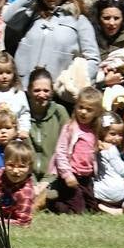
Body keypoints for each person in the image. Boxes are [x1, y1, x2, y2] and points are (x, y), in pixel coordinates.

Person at [2, 0, 99, 90]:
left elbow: (93, 59)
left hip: (58, 94)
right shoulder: (31, 14)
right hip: (24, 89)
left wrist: (75, 86)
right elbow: (8, 17)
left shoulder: (78, 20)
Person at [45, 85, 103, 214]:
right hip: (71, 176)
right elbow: (60, 153)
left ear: (96, 112)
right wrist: (67, 175)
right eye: (81, 107)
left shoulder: (95, 130)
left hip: (86, 177)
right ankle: (53, 204)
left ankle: (64, 199)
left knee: (92, 208)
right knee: (78, 210)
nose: (83, 112)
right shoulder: (70, 128)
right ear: (75, 106)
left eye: (89, 110)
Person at [26, 68, 69, 184]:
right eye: (37, 90)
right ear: (29, 91)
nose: (41, 95)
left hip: (55, 179)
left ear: (52, 92)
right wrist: (34, 184)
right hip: (25, 179)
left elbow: (66, 150)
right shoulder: (22, 114)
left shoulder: (59, 113)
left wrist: (46, 182)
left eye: (46, 90)